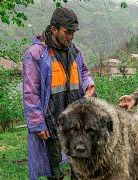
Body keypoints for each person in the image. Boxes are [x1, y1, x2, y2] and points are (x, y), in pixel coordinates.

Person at [22, 7, 95, 180]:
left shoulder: (74, 50)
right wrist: (37, 123)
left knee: (79, 163)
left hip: (76, 120)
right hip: (52, 122)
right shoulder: (36, 54)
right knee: (54, 168)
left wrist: (89, 84)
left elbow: (84, 73)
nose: (71, 37)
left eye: (73, 33)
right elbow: (30, 92)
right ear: (54, 29)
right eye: (67, 32)